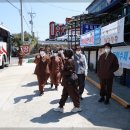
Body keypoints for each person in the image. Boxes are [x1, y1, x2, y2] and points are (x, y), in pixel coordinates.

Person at [53, 49, 81, 113]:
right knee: (64, 94)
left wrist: (62, 71)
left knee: (73, 94)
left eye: (64, 53)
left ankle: (77, 107)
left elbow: (70, 72)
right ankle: (61, 106)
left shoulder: (69, 61)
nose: (63, 53)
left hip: (70, 81)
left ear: (67, 54)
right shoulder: (68, 60)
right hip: (67, 81)